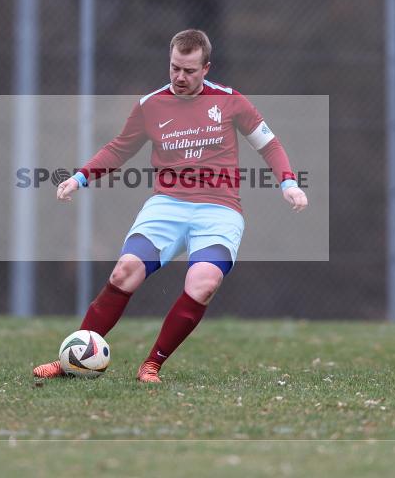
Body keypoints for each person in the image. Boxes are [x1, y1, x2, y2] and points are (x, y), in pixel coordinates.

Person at [33, 29, 307, 383]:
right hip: (167, 206)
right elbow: (119, 149)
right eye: (175, 68)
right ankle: (69, 360)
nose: (180, 77)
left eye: (189, 70)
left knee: (203, 283)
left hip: (219, 210)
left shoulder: (231, 101)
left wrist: (287, 182)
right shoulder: (151, 105)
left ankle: (152, 364)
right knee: (124, 272)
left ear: (206, 68)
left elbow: (269, 145)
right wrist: (80, 177)